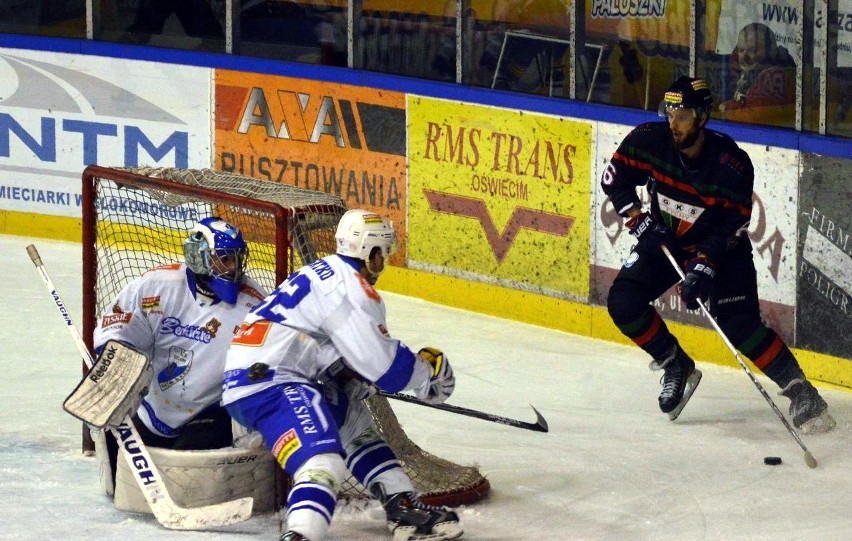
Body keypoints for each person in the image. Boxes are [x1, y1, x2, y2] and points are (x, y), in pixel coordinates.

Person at [600, 76, 836, 433]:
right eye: (670, 113)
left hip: (723, 252)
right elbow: (613, 179)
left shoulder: (731, 164)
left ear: (702, 117)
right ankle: (675, 364)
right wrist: (639, 222)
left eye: (682, 116)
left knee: (740, 326)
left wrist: (703, 267)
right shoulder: (649, 140)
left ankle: (802, 391)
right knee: (623, 301)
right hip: (666, 242)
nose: (673, 122)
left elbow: (733, 223)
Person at [222, 209, 462, 541]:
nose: (384, 262)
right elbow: (385, 367)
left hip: (263, 374)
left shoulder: (324, 271)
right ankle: (302, 534)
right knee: (322, 459)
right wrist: (427, 379)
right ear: (371, 252)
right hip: (273, 382)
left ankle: (401, 503)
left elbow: (324, 342)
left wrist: (350, 373)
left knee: (353, 423)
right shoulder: (352, 288)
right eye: (383, 254)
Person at [92, 217, 267, 489]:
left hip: (209, 414)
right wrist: (114, 366)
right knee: (118, 480)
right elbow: (117, 328)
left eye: (236, 259)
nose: (234, 269)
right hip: (152, 408)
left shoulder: (253, 305)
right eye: (224, 259)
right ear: (198, 257)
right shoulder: (157, 287)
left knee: (183, 480)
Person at [718, 23, 796, 127]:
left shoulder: (776, 76)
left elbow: (753, 116)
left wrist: (727, 107)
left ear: (771, 51)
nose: (744, 57)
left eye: (752, 51)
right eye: (741, 50)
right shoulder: (742, 67)